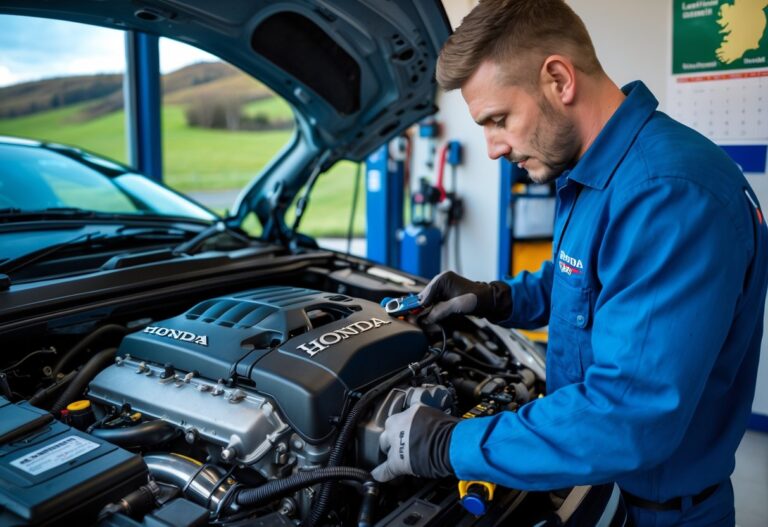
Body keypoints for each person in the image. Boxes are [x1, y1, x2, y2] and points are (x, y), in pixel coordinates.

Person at [371, 1, 768, 525]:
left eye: (498, 119)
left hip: (656, 512)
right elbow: (590, 284)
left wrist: (448, 443)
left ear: (558, 79)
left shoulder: (666, 194)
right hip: (600, 487)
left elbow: (626, 416)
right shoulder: (600, 174)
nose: (492, 148)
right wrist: (499, 297)